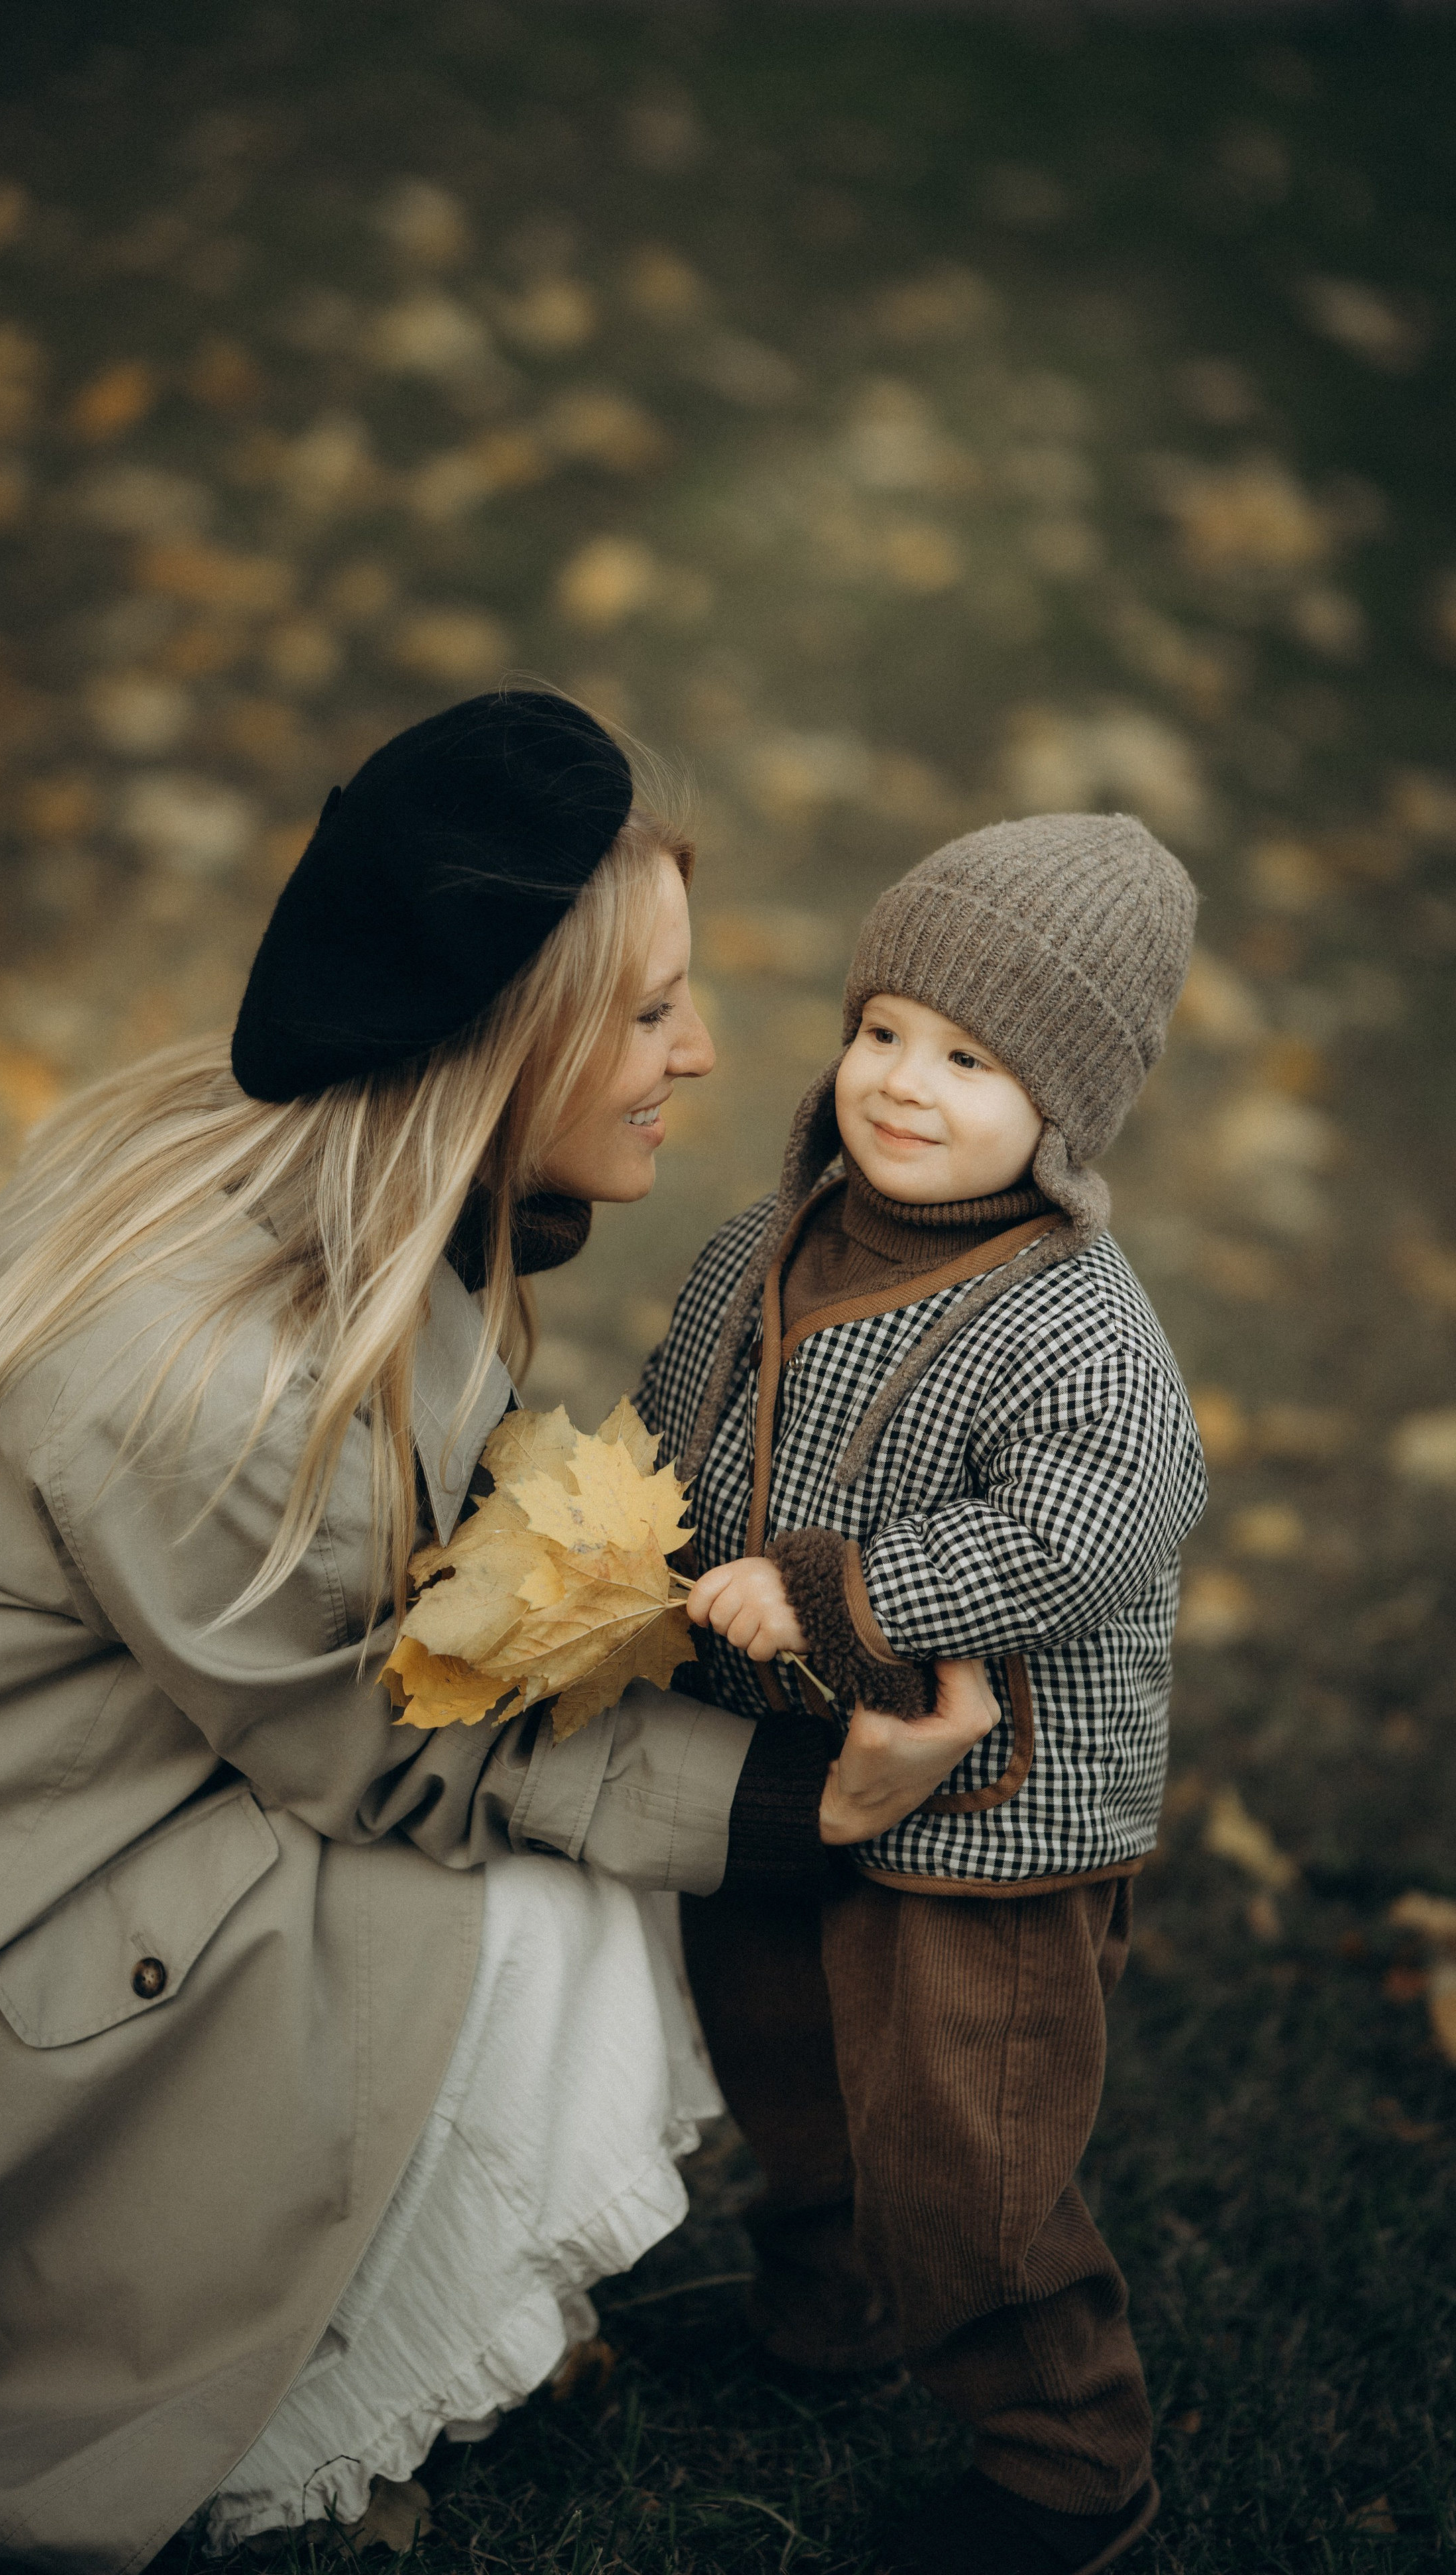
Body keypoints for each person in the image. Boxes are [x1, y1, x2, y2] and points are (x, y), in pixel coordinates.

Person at [0, 691, 998, 2575]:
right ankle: (266, 2403)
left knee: (566, 1850)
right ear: (499, 1044)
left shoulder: (293, 1165)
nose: (704, 1052)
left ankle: (334, 2300)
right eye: (649, 1014)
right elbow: (389, 1746)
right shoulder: (221, 1378)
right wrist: (784, 1803)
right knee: (525, 1912)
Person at [640, 815, 1210, 2575]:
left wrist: (838, 1593)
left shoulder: (1075, 1329)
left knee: (961, 2132)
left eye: (973, 1060)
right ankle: (834, 2308)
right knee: (787, 2051)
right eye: (884, 1027)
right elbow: (683, 1410)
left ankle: (1063, 2461)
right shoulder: (773, 1240)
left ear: (1071, 1108)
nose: (905, 1081)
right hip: (792, 1768)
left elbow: (1091, 1525)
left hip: (996, 1816)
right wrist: (630, 1541)